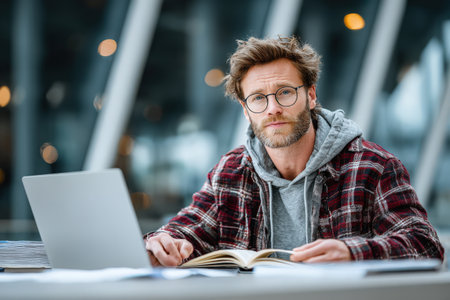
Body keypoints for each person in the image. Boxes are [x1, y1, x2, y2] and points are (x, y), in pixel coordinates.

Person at [144, 36, 444, 267]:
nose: (273, 108)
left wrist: (353, 253)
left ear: (310, 95)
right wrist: (164, 243)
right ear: (246, 111)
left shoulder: (372, 166)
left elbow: (425, 245)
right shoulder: (232, 171)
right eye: (258, 98)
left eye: (285, 92)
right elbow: (188, 228)